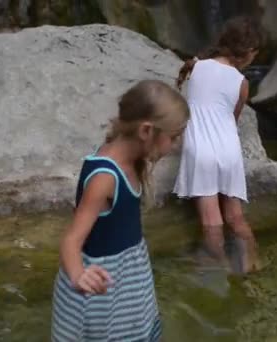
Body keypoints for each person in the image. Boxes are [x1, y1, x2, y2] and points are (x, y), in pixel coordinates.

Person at [51, 80, 190, 341]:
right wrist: (79, 275)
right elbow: (71, 240)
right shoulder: (105, 177)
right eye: (173, 137)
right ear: (146, 131)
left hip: (128, 283)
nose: (173, 146)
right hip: (100, 294)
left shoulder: (131, 161)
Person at [173, 16, 266, 273]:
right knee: (235, 217)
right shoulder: (242, 83)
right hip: (229, 151)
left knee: (211, 222)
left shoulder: (196, 66)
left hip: (200, 149)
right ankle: (252, 263)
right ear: (248, 53)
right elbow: (231, 119)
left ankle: (221, 269)